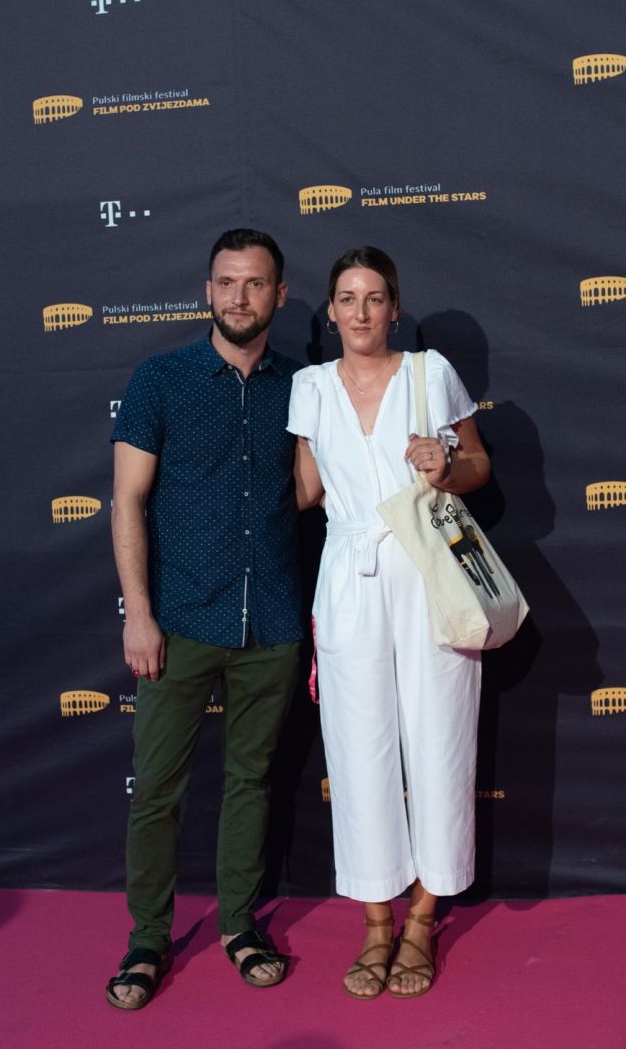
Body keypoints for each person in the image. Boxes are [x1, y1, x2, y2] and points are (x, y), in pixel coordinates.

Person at [106, 229, 302, 1009]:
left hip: (273, 622)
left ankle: (238, 926)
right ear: (207, 291)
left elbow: (312, 490)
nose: (238, 297)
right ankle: (147, 940)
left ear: (278, 295)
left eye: (254, 284)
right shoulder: (160, 378)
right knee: (156, 787)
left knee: (250, 782)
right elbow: (126, 500)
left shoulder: (302, 387)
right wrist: (139, 615)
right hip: (180, 618)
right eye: (226, 282)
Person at [288, 247, 490, 1001]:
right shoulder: (310, 387)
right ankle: (377, 922)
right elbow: (305, 491)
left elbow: (477, 465)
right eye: (347, 298)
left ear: (394, 308)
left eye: (375, 297)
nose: (361, 311)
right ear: (331, 311)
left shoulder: (430, 373)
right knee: (357, 747)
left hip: (430, 569)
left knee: (440, 739)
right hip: (348, 576)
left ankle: (423, 919)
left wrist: (445, 466)